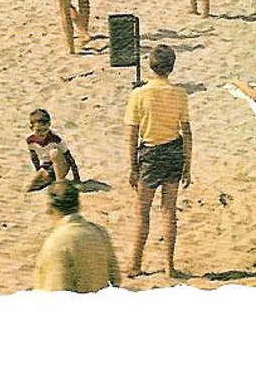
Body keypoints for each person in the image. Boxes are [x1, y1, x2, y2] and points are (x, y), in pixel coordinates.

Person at [124, 44, 192, 280]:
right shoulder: (180, 94)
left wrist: (132, 167)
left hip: (151, 154)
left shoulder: (139, 94)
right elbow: (187, 131)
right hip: (174, 151)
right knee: (169, 210)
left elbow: (132, 134)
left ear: (150, 66)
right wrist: (188, 165)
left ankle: (135, 263)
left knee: (142, 211)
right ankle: (169, 266)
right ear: (171, 67)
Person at [33, 180, 120, 293]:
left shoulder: (56, 243)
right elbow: (115, 279)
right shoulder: (100, 233)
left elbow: (56, 293)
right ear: (78, 204)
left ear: (49, 208)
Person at [25, 109, 82, 191]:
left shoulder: (55, 138)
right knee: (29, 187)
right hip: (47, 166)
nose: (43, 134)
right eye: (39, 131)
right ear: (31, 128)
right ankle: (52, 181)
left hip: (61, 165)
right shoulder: (30, 140)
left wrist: (77, 178)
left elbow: (69, 157)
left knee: (54, 153)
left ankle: (59, 183)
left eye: (45, 130)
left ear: (49, 125)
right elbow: (34, 157)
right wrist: (38, 171)